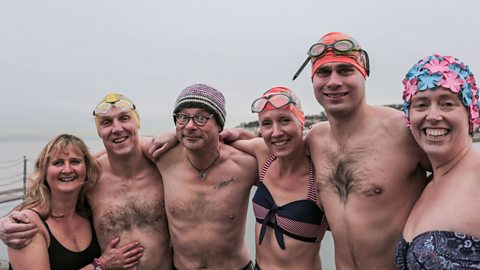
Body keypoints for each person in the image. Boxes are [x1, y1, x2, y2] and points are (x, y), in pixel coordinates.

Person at [294, 32, 430, 269]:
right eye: (324, 73)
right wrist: (236, 138)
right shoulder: (315, 138)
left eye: (345, 71)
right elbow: (273, 152)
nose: (333, 82)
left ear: (364, 74)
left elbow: (459, 171)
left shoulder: (403, 130)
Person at [2, 93, 172, 270]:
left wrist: (176, 134)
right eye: (106, 122)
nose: (117, 128)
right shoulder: (91, 181)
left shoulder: (164, 167)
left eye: (124, 118)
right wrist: (5, 220)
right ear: (99, 132)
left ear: (136, 123)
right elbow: (49, 199)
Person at [148, 84, 258, 269]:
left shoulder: (245, 165)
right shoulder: (163, 157)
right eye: (182, 117)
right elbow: (122, 146)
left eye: (201, 118)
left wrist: (244, 133)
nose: (190, 126)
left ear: (219, 125)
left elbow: (284, 157)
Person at [226, 86, 327, 269]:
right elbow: (215, 140)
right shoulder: (264, 154)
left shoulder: (321, 176)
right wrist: (237, 132)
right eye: (266, 124)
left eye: (285, 120)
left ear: (301, 122)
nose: (276, 132)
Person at [395, 54, 480, 269]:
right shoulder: (427, 186)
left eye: (447, 104)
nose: (433, 115)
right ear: (409, 116)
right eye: (421, 105)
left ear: (470, 114)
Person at [8, 134, 141, 270]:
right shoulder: (27, 225)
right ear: (44, 171)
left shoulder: (89, 212)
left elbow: (121, 152)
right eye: (57, 163)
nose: (67, 170)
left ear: (86, 169)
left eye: (75, 162)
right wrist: (102, 265)